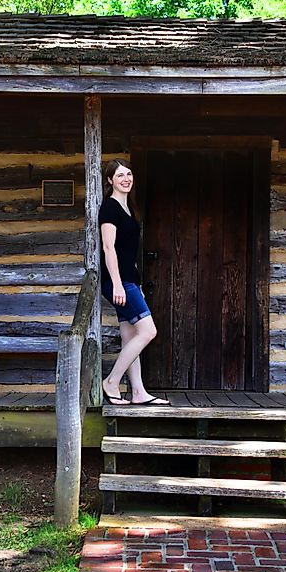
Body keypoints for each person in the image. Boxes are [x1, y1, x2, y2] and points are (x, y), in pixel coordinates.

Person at [99, 159, 170, 406]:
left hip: (130, 280)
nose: (126, 179)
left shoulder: (129, 207)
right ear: (110, 181)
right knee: (148, 331)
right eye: (120, 175)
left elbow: (128, 250)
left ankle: (138, 392)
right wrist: (118, 284)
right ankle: (111, 381)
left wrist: (133, 281)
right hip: (118, 282)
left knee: (130, 337)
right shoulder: (109, 208)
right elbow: (109, 248)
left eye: (129, 174)